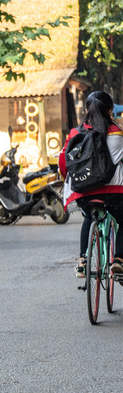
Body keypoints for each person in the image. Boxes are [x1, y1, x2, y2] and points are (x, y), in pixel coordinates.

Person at [58, 91, 123, 278]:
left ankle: (82, 260)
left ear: (86, 110)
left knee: (88, 216)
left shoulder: (74, 134)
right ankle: (119, 260)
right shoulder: (118, 134)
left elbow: (64, 165)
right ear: (110, 111)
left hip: (83, 192)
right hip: (114, 192)